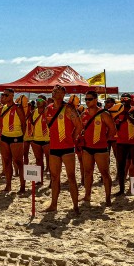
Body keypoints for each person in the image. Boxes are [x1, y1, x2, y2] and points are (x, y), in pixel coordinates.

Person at [41, 85, 83, 213]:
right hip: (54, 147)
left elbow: (79, 126)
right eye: (53, 91)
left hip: (67, 148)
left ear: (63, 94)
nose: (54, 93)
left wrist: (72, 138)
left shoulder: (68, 108)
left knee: (71, 177)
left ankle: (75, 206)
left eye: (57, 91)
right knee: (54, 178)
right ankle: (53, 205)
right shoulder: (48, 109)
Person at [80, 90, 116, 206]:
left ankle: (107, 197)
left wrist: (105, 139)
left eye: (89, 99)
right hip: (87, 148)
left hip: (101, 148)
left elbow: (112, 128)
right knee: (88, 172)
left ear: (96, 100)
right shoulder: (84, 114)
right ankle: (87, 195)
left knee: (105, 173)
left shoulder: (103, 114)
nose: (87, 101)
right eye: (85, 99)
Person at [113, 93, 134, 196]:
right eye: (122, 99)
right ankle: (121, 189)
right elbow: (114, 126)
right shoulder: (117, 111)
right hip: (121, 142)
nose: (124, 101)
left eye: (126, 100)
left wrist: (128, 117)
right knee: (121, 166)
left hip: (133, 142)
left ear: (130, 101)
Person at [0, 88, 27, 193]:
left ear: (11, 96)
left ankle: (22, 186)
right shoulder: (2, 108)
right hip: (4, 137)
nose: (3, 97)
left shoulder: (18, 107)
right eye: (3, 95)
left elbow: (24, 124)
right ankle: (8, 185)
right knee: (6, 162)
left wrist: (21, 137)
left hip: (16, 137)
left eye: (6, 95)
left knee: (18, 162)